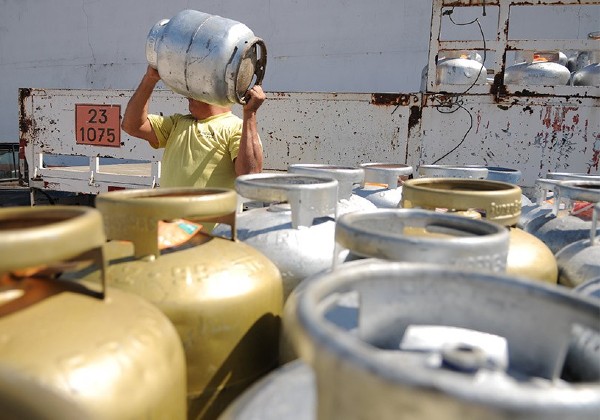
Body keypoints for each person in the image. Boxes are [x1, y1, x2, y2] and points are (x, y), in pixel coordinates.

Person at [121, 65, 266, 189]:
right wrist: (149, 79)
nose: (188, 95)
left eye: (195, 88)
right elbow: (131, 126)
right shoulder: (177, 123)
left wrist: (250, 113)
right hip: (172, 222)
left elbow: (250, 176)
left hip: (213, 223)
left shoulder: (237, 128)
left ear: (213, 92)